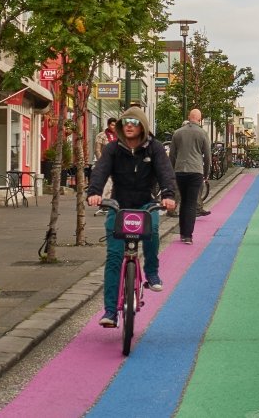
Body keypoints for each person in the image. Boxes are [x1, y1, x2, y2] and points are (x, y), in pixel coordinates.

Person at [87, 107, 176, 327]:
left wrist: (168, 195)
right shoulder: (113, 149)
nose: (128, 125)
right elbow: (101, 170)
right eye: (125, 121)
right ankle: (109, 312)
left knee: (153, 229)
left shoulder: (154, 149)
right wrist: (95, 192)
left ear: (142, 126)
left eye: (134, 122)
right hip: (119, 205)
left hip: (146, 203)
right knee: (115, 258)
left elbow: (166, 172)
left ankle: (152, 272)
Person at [168, 108, 211, 245]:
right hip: (196, 171)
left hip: (180, 170)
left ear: (189, 117)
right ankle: (188, 236)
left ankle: (182, 233)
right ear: (200, 119)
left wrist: (172, 170)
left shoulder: (177, 133)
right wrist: (206, 172)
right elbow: (207, 156)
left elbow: (172, 154)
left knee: (183, 201)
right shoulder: (203, 133)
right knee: (191, 203)